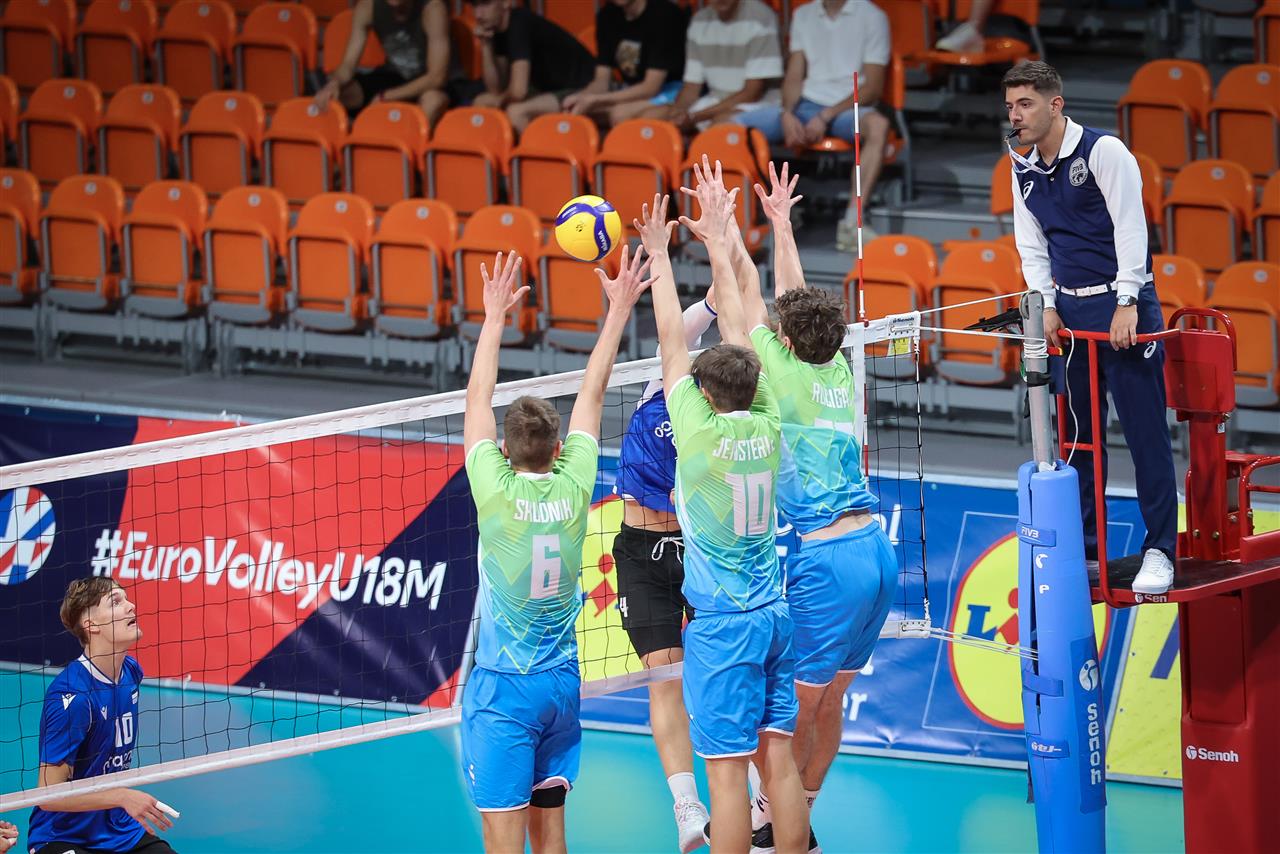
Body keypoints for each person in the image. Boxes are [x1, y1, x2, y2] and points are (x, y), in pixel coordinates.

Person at [715, 160, 898, 852]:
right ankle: (797, 814)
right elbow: (792, 298)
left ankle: (777, 819)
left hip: (829, 561)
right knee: (831, 700)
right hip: (876, 550)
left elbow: (741, 302)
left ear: (785, 343)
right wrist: (782, 225)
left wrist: (723, 234)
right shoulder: (837, 368)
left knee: (790, 713)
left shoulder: (777, 374)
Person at [636, 161, 807, 853]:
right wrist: (721, 238)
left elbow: (670, 340)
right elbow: (740, 326)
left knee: (728, 775)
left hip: (725, 628)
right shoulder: (768, 415)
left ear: (703, 396)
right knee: (780, 760)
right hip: (774, 614)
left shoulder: (698, 436)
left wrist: (659, 254)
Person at [460, 246, 650, 852]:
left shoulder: (493, 489)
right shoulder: (574, 487)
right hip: (561, 685)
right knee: (552, 839)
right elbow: (594, 391)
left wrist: (494, 317)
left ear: (504, 451)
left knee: (502, 840)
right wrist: (618, 310)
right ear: (559, 448)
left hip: (504, 690)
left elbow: (476, 400)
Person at [1004, 61, 1177, 594]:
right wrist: (1045, 305)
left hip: (1123, 309)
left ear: (1055, 104)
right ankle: (1084, 551)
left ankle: (1161, 550)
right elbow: (1031, 244)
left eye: (1025, 104)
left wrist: (1128, 300)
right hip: (1071, 317)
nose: (1015, 116)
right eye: (1010, 106)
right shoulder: (1021, 165)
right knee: (1078, 440)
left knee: (1145, 437)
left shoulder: (1105, 151)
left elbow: (1132, 228)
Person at [611, 288, 718, 853]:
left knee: (720, 676)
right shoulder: (664, 385)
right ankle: (686, 804)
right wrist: (715, 302)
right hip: (641, 552)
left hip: (701, 552)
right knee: (665, 677)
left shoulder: (726, 415)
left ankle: (757, 798)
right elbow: (678, 331)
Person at [28, 578, 178, 854]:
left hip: (119, 830)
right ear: (91, 625)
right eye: (115, 602)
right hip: (63, 836)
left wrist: (120, 803)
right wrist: (122, 797)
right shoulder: (72, 697)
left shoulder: (131, 672)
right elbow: (48, 796)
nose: (131, 606)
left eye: (126, 598)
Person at [737, 0, 892, 250]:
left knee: (879, 126)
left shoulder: (873, 16)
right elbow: (794, 75)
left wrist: (826, 116)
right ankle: (770, 213)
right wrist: (787, 113)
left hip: (847, 107)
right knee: (731, 128)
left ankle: (852, 222)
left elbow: (872, 88)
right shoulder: (803, 14)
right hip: (805, 105)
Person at [313, 0, 463, 125]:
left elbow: (437, 78)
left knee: (433, 100)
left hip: (434, 84)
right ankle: (349, 147)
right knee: (337, 96)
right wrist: (334, 83)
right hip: (395, 76)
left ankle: (404, 148)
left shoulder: (433, 8)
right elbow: (348, 65)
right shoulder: (367, 7)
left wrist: (386, 97)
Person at [643, 0, 783, 133]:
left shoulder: (760, 17)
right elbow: (691, 87)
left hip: (760, 104)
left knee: (721, 125)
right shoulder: (699, 21)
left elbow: (752, 93)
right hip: (715, 100)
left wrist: (695, 117)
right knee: (650, 118)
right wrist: (677, 112)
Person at [468, 0, 597, 134]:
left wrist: (498, 101)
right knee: (480, 102)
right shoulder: (497, 29)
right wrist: (486, 45)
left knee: (516, 112)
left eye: (485, 4)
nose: (478, 15)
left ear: (506, 2)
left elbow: (518, 92)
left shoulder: (519, 23)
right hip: (550, 90)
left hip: (583, 88)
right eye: (474, 6)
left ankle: (539, 148)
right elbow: (495, 89)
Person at [558, 0, 688, 128]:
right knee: (578, 109)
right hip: (631, 88)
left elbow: (651, 88)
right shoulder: (607, 15)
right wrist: (583, 98)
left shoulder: (665, 15)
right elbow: (601, 81)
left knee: (619, 114)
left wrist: (596, 100)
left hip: (672, 89)